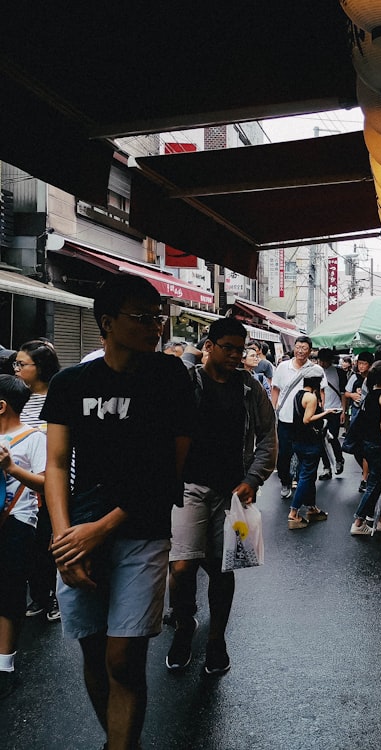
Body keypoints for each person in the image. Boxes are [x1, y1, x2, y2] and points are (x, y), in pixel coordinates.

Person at [42, 273, 197, 750]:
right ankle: (119, 741)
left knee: (123, 658)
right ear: (107, 323)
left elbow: (170, 468)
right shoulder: (71, 382)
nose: (155, 327)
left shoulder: (171, 378)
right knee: (92, 650)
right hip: (80, 531)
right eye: (143, 318)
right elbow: (55, 463)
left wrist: (100, 530)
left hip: (140, 531)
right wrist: (66, 540)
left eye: (158, 317)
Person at [166, 317, 276, 675]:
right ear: (208, 346)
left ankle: (217, 639)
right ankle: (185, 624)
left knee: (222, 567)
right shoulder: (187, 381)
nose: (235, 355)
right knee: (181, 567)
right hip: (189, 488)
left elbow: (268, 437)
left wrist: (253, 479)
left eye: (240, 349)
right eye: (227, 347)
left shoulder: (249, 388)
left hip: (233, 495)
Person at [0, 375, 47, 700]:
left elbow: (47, 483)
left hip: (17, 522)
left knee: (10, 591)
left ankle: (5, 665)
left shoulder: (33, 439)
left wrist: (11, 468)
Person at [15, 339, 62, 623]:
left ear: (40, 367)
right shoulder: (16, 397)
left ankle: (56, 596)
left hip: (51, 484)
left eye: (22, 364)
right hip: (20, 486)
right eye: (16, 364)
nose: (17, 369)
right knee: (32, 547)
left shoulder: (59, 396)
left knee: (51, 543)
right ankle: (39, 596)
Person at [349, 361, 381, 536]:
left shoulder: (370, 395)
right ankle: (358, 521)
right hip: (378, 445)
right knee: (374, 484)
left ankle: (379, 519)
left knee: (376, 483)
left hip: (367, 443)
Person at [270, 336, 324, 499]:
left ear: (310, 350)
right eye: (298, 347)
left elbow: (321, 393)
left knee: (305, 454)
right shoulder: (283, 367)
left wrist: (320, 413)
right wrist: (275, 409)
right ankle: (285, 481)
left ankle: (301, 483)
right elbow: (275, 389)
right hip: (285, 418)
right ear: (294, 348)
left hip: (305, 421)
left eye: (304, 348)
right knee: (284, 453)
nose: (300, 351)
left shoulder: (316, 370)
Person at [287, 375, 337, 530]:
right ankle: (293, 513)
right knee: (306, 476)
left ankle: (311, 507)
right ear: (316, 386)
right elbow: (307, 419)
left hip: (298, 441)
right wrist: (327, 413)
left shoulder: (298, 395)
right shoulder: (311, 397)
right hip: (310, 442)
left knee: (308, 475)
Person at [345, 351, 374, 493]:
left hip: (369, 416)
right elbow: (346, 393)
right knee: (356, 447)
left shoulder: (374, 378)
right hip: (356, 414)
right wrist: (352, 395)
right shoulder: (354, 377)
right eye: (359, 363)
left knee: (365, 447)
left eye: (364, 363)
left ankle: (365, 479)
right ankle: (366, 473)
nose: (361, 366)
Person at [316, 348, 345, 477]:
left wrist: (344, 410)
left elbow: (343, 393)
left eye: (325, 361)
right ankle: (326, 467)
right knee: (321, 440)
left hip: (335, 409)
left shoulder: (339, 372)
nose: (323, 364)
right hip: (321, 410)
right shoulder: (315, 372)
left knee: (333, 437)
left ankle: (339, 459)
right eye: (321, 361)